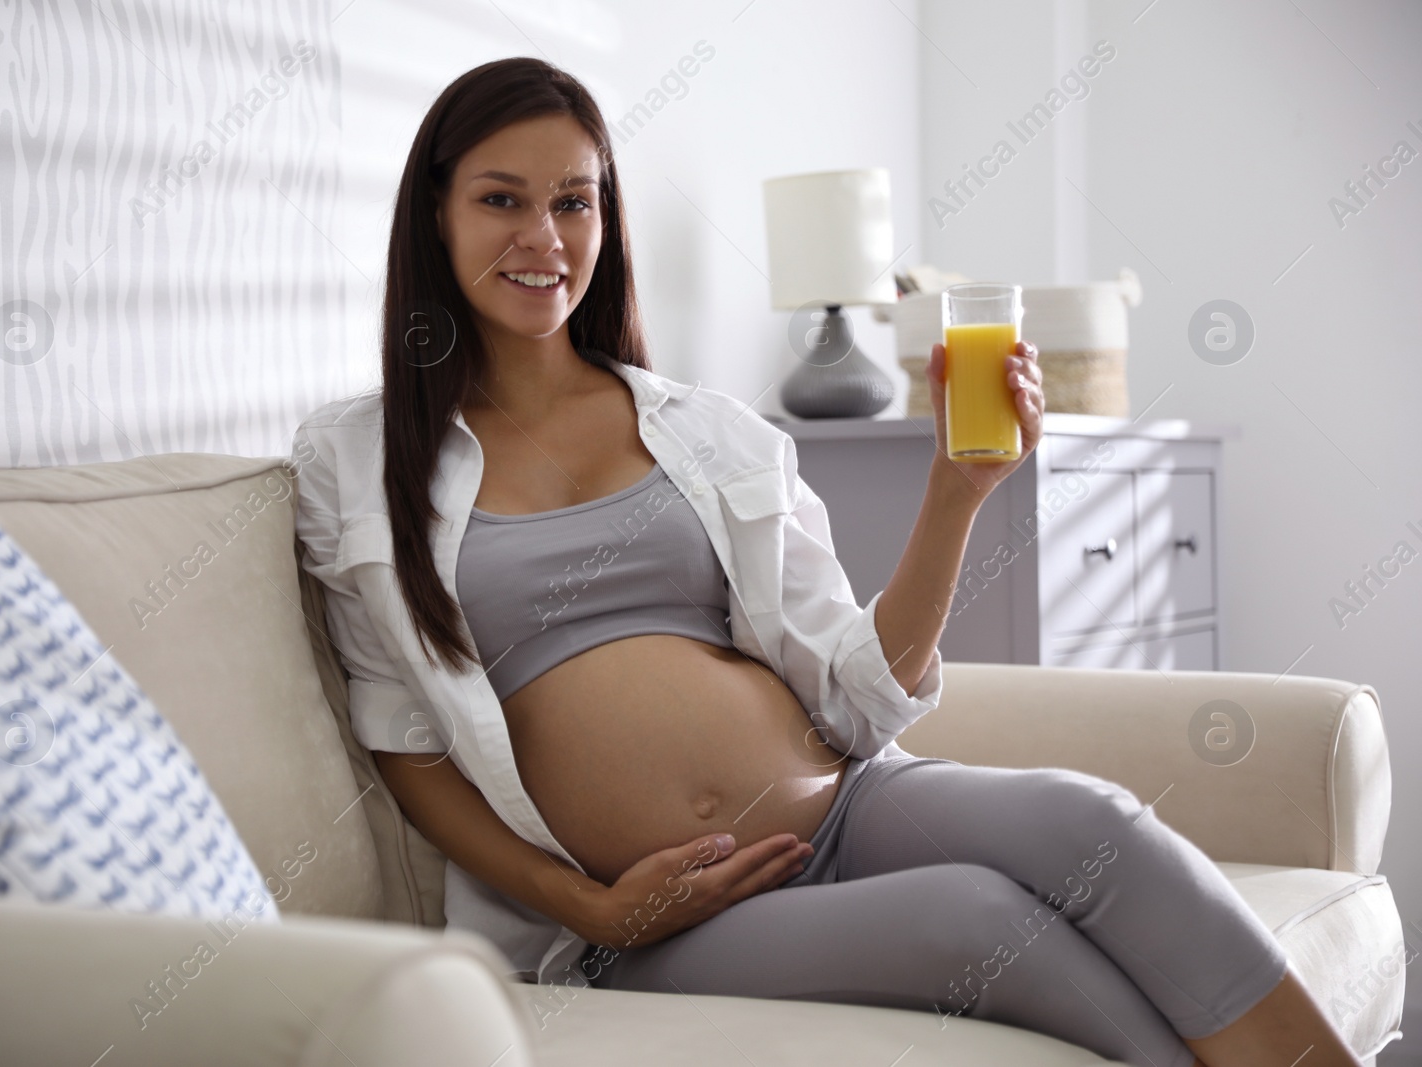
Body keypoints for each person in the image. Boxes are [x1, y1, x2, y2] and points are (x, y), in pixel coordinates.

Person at [291, 56, 1363, 1067]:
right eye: (501, 198)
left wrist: (957, 490)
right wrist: (591, 908)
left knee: (1098, 824)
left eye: (574, 200)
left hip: (847, 803)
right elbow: (409, 748)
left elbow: (860, 694)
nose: (545, 233)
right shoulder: (358, 461)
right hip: (650, 920)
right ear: (435, 215)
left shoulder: (708, 431)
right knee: (974, 919)